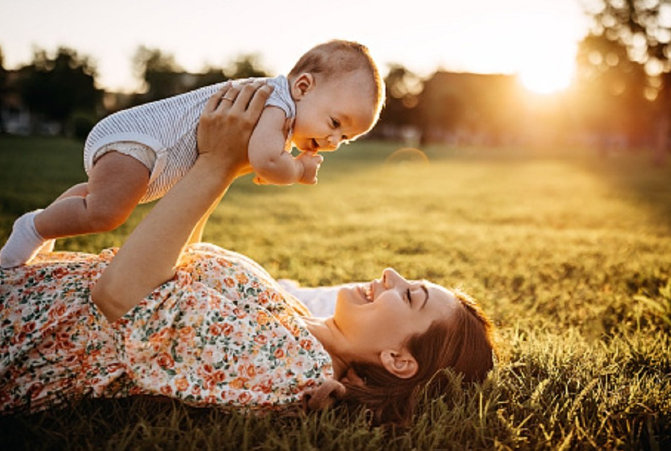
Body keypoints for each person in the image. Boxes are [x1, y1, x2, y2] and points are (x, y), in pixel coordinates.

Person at [0, 83, 495, 426]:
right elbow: (180, 269)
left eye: (409, 297)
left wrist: (218, 162)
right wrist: (228, 161)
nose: (390, 274)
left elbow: (121, 299)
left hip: (17, 334)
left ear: (398, 360)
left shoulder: (294, 369)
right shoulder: (300, 321)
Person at [0, 40, 385, 269]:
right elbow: (267, 162)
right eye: (335, 122)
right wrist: (298, 169)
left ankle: (52, 222)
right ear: (303, 86)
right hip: (143, 141)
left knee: (96, 197)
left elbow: (259, 162)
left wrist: (282, 162)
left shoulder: (279, 114)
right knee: (107, 212)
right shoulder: (277, 103)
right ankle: (33, 227)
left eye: (346, 138)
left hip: (141, 147)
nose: (334, 140)